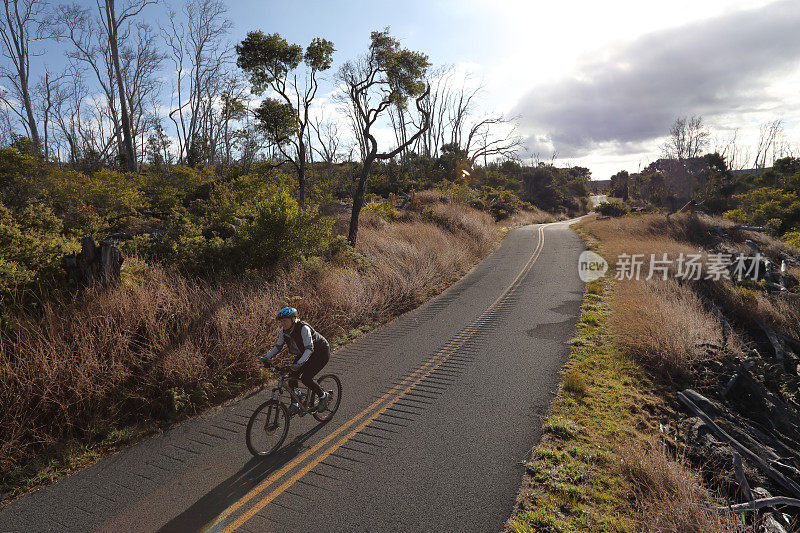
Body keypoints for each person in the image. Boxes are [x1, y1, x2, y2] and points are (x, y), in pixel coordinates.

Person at [261, 307, 330, 413]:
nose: (282, 323)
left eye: (285, 321)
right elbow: (278, 347)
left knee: (306, 379)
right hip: (305, 353)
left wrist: (298, 364)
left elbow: (309, 348)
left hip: (321, 352)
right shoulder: (285, 331)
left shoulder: (303, 328)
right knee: (292, 377)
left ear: (293, 319)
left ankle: (323, 396)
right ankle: (295, 404)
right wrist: (266, 358)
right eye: (281, 321)